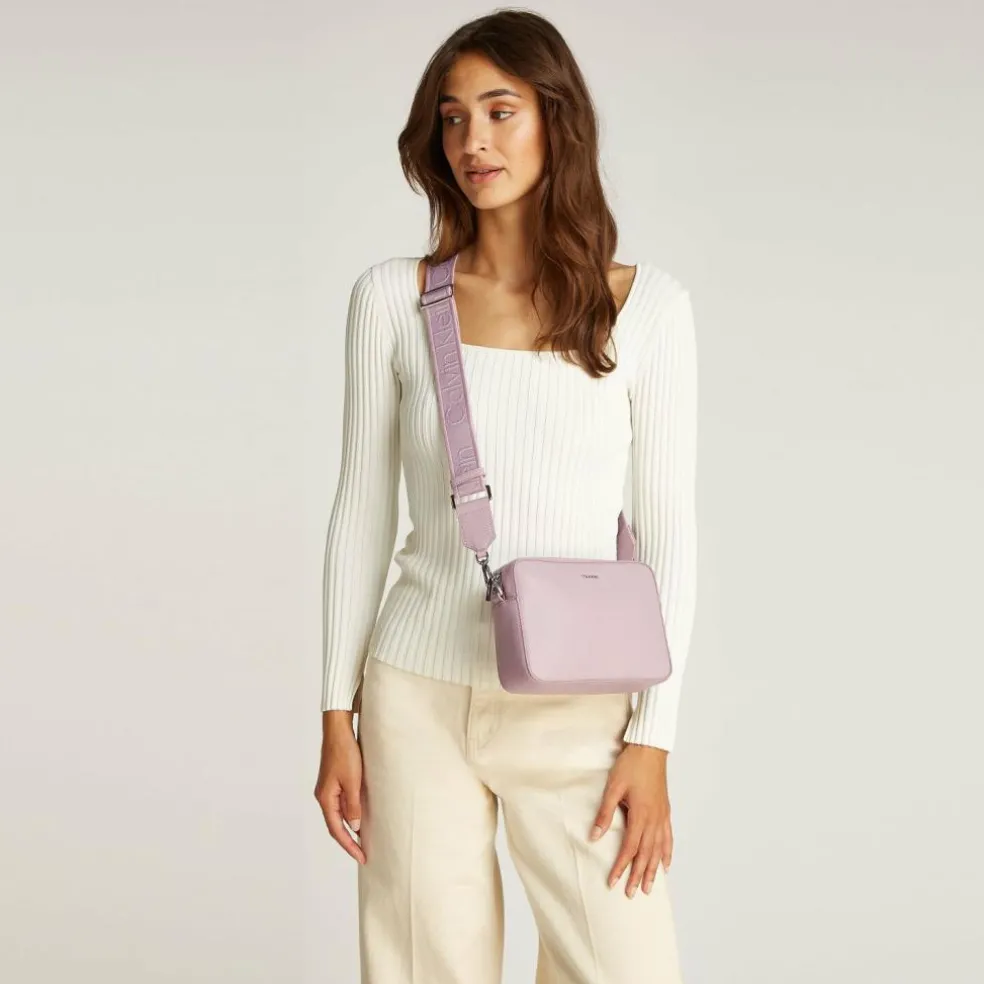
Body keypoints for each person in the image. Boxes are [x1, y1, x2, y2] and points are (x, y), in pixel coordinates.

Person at [314, 9, 698, 983]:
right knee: (422, 967)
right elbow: (362, 515)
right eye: (452, 118)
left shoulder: (647, 309)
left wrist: (652, 740)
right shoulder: (392, 299)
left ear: (556, 119)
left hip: (580, 703)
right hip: (414, 696)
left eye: (499, 110)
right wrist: (335, 714)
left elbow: (668, 536)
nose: (472, 141)